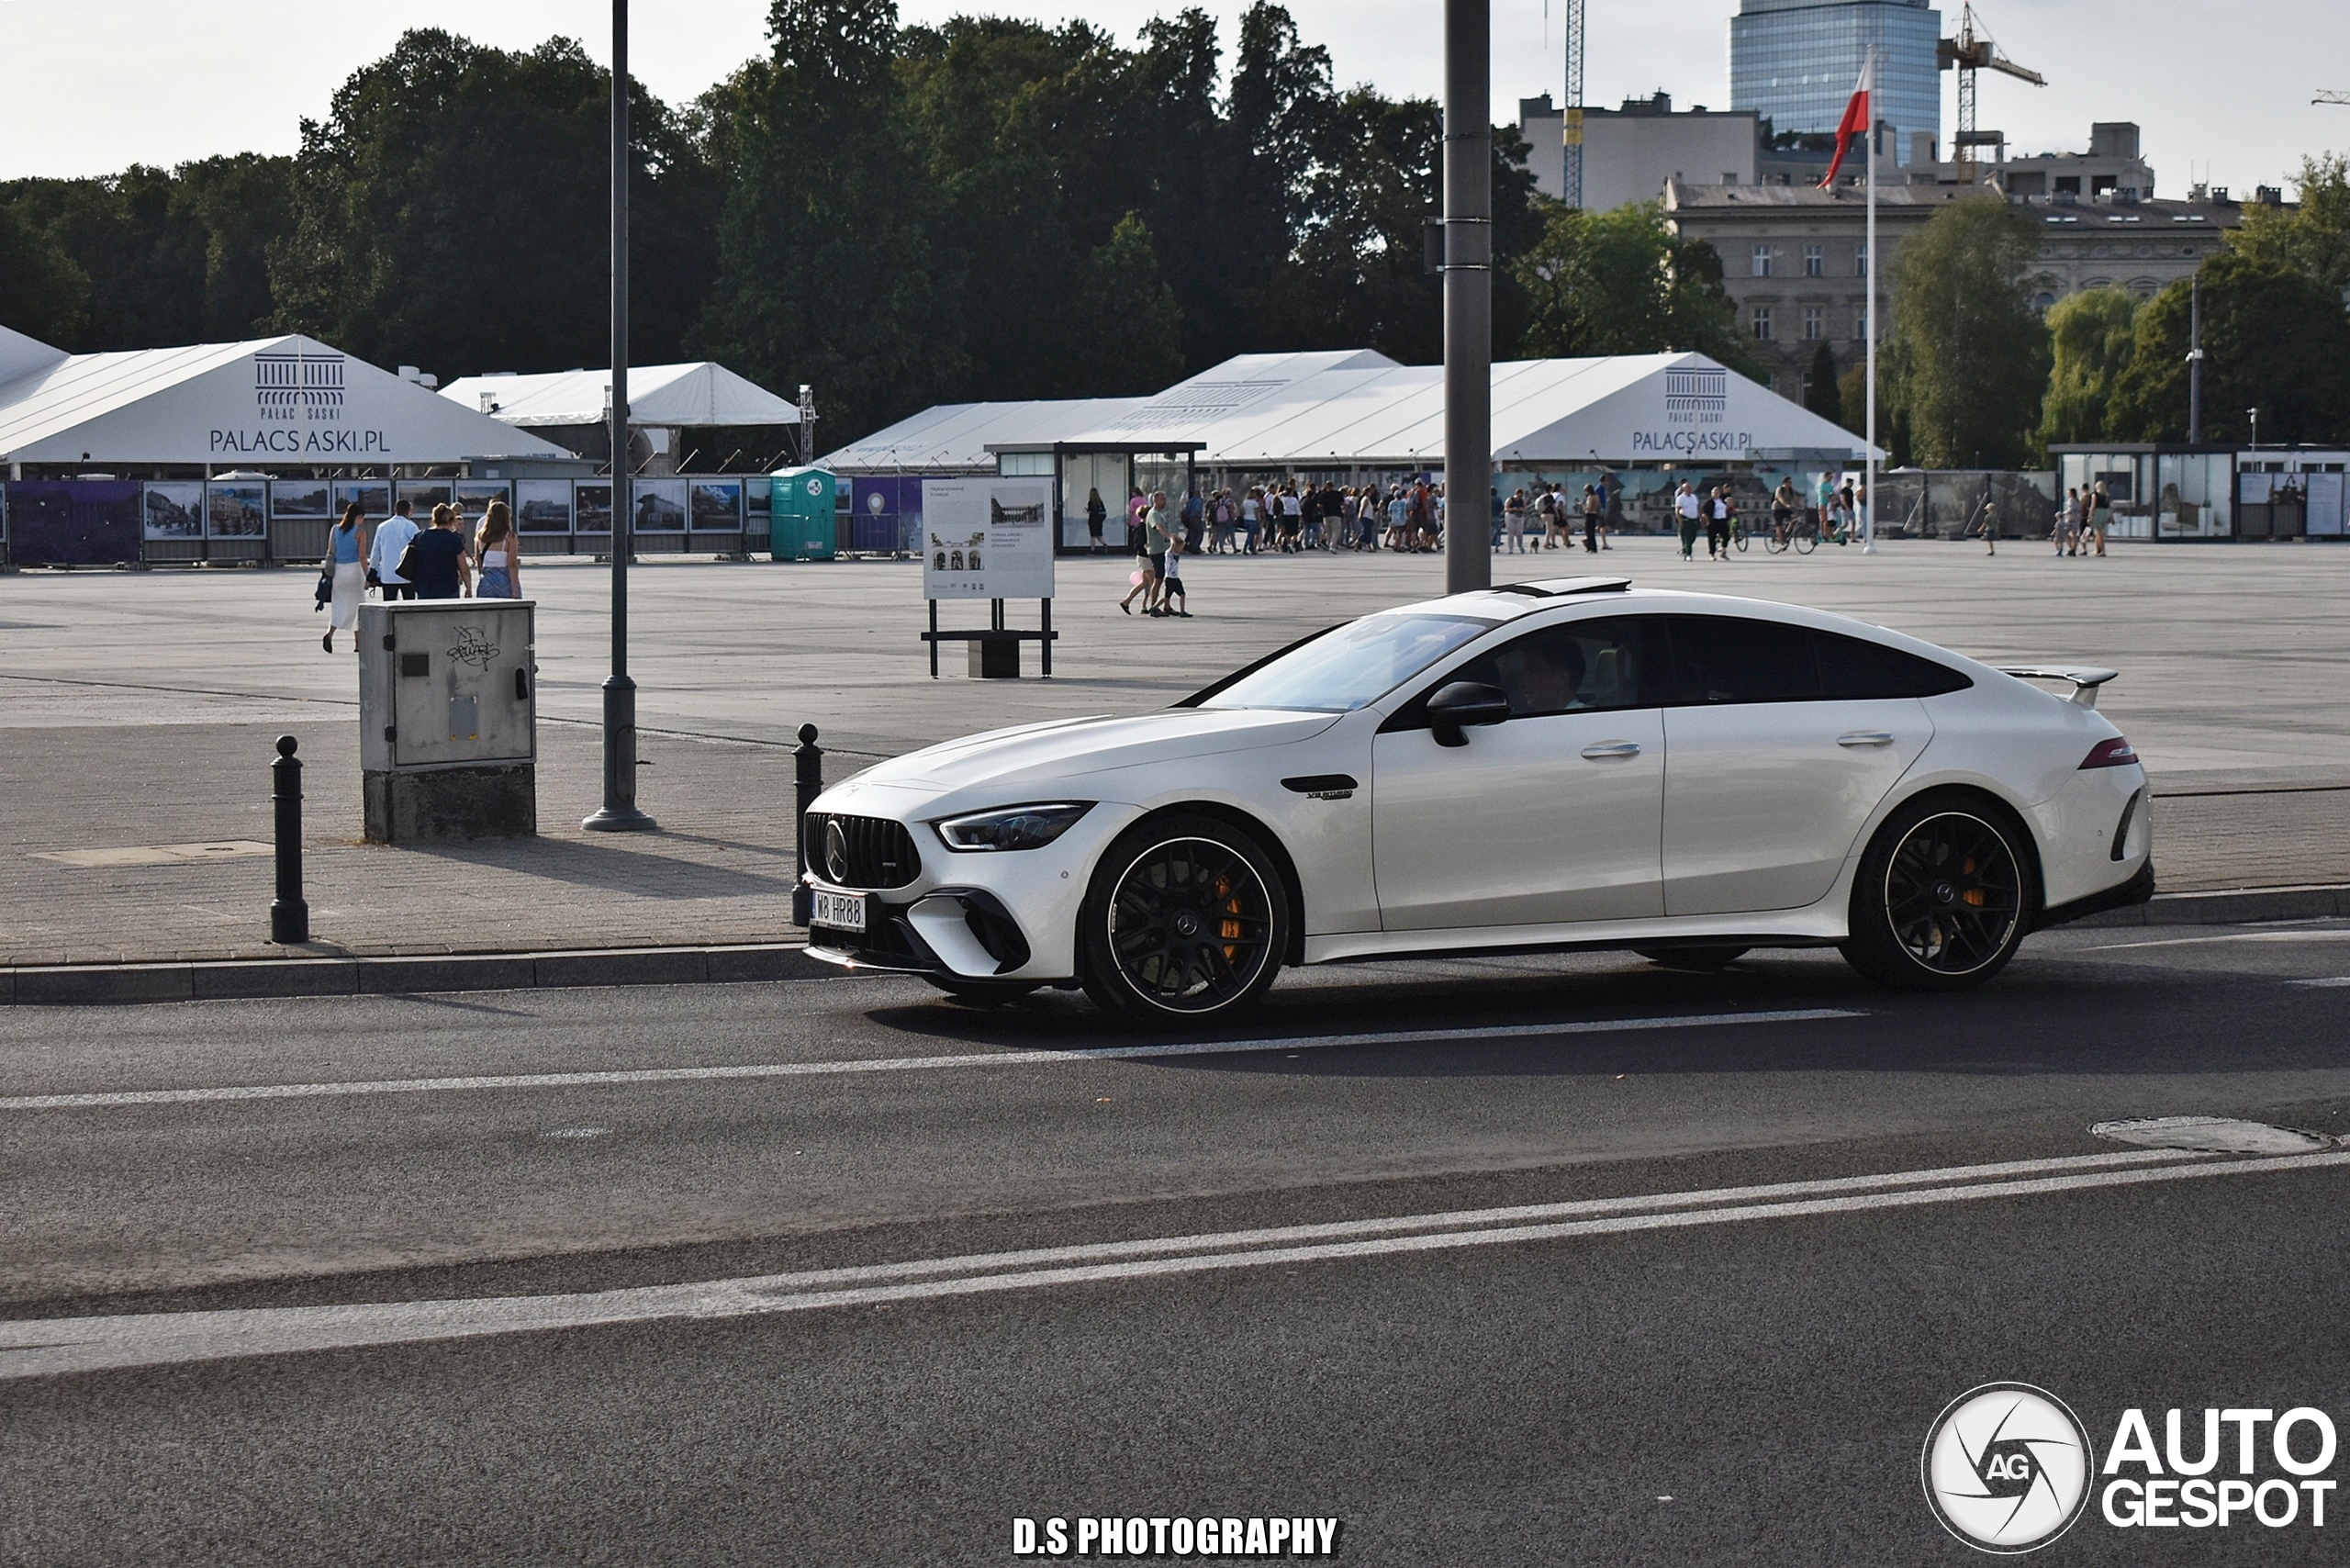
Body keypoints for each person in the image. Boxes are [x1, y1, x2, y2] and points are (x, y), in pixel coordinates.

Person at [321, 501, 368, 653]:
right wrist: (368, 576)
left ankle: (330, 633)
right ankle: (358, 644)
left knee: (339, 607)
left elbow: (330, 552)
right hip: (354, 572)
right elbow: (362, 556)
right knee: (357, 607)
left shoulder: (335, 530)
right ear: (359, 517)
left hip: (338, 573)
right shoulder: (360, 533)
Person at [404, 503, 473, 600]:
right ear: (451, 521)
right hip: (448, 589)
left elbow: (405, 555)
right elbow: (464, 568)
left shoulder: (420, 536)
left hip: (425, 588)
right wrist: (468, 588)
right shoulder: (454, 539)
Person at [369, 497, 419, 601]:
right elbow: (418, 549)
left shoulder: (382, 527)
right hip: (407, 575)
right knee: (410, 606)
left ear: (395, 510)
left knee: (389, 605)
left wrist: (373, 570)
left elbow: (376, 551)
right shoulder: (411, 526)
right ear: (409, 511)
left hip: (388, 574)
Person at [475, 500, 522, 599]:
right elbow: (512, 564)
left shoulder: (481, 535)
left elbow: (478, 559)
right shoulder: (509, 536)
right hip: (504, 581)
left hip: (486, 581)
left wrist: (482, 575)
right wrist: (515, 591)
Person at [1159, 532, 1191, 617]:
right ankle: (1154, 608)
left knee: (1182, 594)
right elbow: (1173, 545)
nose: (1180, 549)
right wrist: (1172, 538)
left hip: (1175, 578)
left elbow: (1183, 544)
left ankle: (1182, 611)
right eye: (1178, 547)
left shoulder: (1177, 553)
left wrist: (1179, 539)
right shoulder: (1169, 553)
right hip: (1169, 578)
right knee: (1167, 597)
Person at [1674, 482, 1703, 560]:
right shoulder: (1681, 498)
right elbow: (1677, 510)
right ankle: (1688, 554)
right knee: (1688, 537)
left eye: (1690, 488)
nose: (1690, 489)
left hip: (1694, 519)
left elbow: (1697, 507)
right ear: (1684, 489)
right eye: (1688, 488)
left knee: (1693, 536)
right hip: (1686, 518)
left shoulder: (1693, 497)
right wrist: (1680, 520)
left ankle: (1684, 549)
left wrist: (1701, 516)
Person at [2087, 481, 2110, 557]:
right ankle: (2097, 550)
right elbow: (2109, 506)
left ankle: (2102, 550)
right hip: (2105, 512)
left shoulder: (2095, 495)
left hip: (2097, 512)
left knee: (2098, 532)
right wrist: (2111, 516)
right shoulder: (2107, 495)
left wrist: (2090, 516)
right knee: (2099, 532)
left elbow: (2093, 506)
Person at [1504, 487, 1528, 554]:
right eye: (1518, 495)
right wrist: (1513, 509)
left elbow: (1525, 509)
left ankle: (1520, 546)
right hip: (1510, 516)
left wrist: (1521, 509)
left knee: (1519, 533)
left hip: (1519, 517)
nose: (1519, 497)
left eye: (1520, 495)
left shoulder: (1522, 500)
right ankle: (1510, 548)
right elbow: (1506, 508)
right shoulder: (1510, 499)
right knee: (1510, 533)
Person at [1581, 484, 1603, 554]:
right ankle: (1593, 546)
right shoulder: (1597, 496)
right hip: (1595, 514)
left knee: (1588, 531)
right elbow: (1599, 505)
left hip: (1589, 514)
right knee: (1592, 532)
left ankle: (1591, 547)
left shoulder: (1590, 497)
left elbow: (1589, 507)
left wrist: (1584, 506)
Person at [1085, 487, 1107, 554]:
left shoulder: (1091, 502)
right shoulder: (1100, 502)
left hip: (1092, 520)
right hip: (1099, 521)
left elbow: (1090, 511)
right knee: (1099, 534)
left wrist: (1087, 510)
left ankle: (1092, 550)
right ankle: (1104, 544)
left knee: (1093, 536)